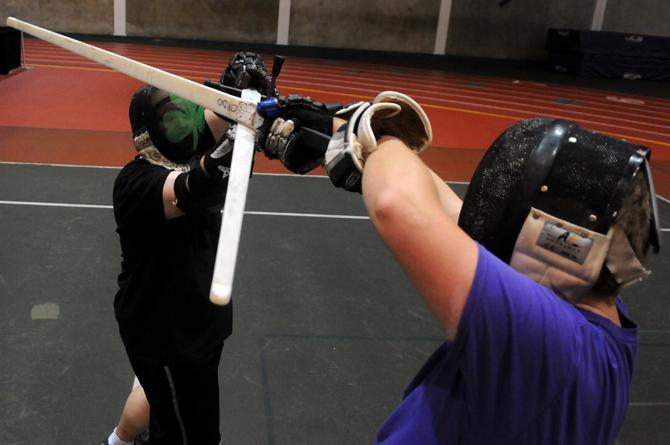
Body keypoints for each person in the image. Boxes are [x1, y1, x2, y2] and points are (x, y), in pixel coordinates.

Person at [257, 91, 661, 444]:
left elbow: (398, 206)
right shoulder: (598, 318)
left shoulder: (549, 343)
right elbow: (473, 224)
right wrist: (349, 130)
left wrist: (375, 131)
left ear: (560, 242)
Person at [105, 52, 274, 445]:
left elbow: (217, 121)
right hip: (164, 332)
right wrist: (242, 134)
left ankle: (117, 442)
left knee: (161, 402)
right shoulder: (136, 183)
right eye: (173, 117)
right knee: (187, 432)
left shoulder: (189, 149)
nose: (187, 122)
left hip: (197, 324)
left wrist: (240, 92)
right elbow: (195, 188)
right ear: (153, 129)